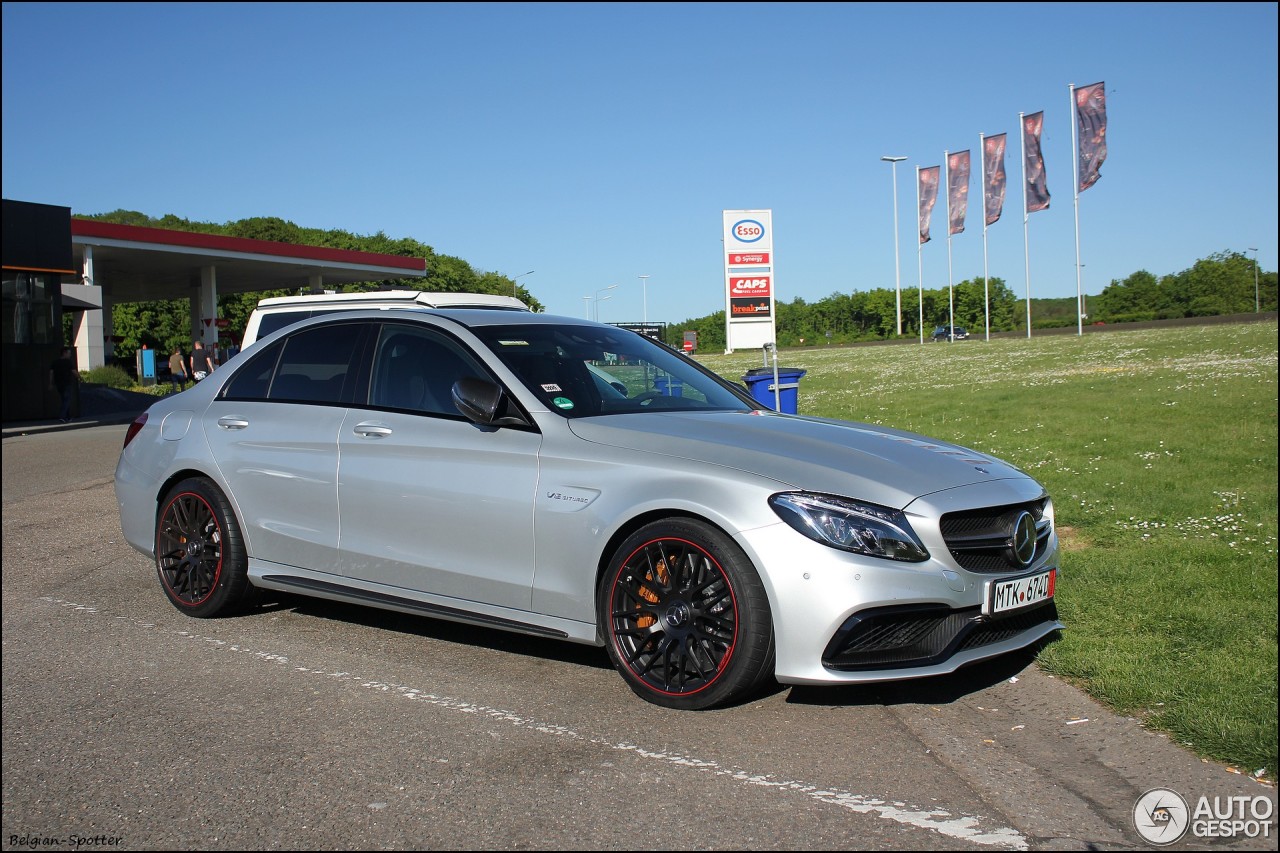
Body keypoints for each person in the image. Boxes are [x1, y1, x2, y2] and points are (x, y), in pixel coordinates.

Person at [48, 346, 77, 422]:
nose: (70, 355)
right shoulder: (68, 362)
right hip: (67, 383)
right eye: (69, 353)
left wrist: (51, 383)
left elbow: (51, 373)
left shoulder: (55, 362)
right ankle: (62, 416)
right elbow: (73, 371)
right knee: (67, 400)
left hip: (58, 384)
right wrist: (80, 378)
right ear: (64, 353)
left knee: (64, 400)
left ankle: (68, 417)